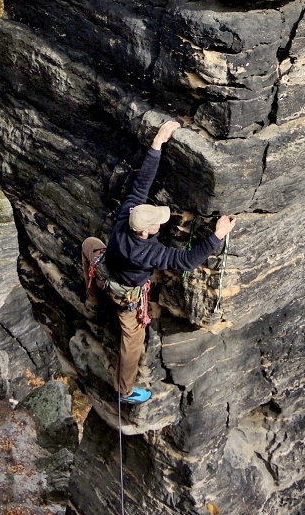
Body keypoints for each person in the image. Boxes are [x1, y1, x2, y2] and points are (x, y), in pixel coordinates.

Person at [81, 120, 235, 404]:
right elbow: (187, 260)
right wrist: (217, 235)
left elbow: (142, 185)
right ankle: (124, 392)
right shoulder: (147, 253)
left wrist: (157, 145)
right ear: (144, 231)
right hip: (125, 294)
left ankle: (92, 296)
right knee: (133, 343)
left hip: (104, 267)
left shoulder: (127, 215)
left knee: (89, 244)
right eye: (156, 225)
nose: (159, 225)